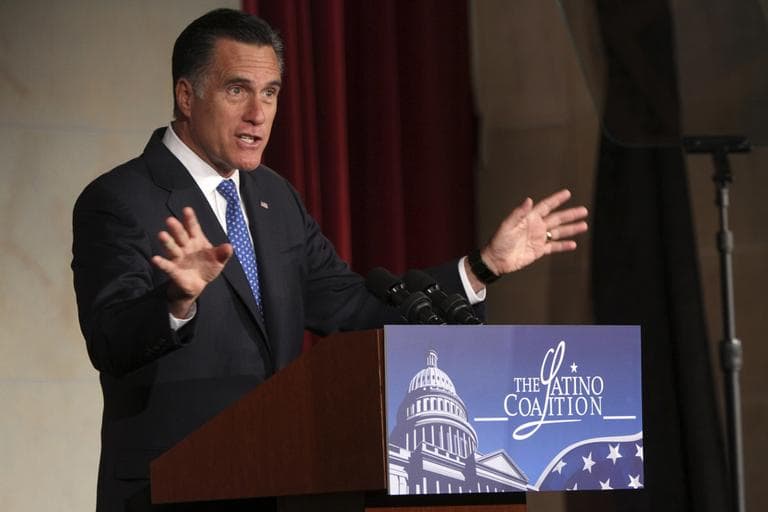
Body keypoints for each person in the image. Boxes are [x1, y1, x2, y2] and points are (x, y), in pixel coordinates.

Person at [71, 8, 588, 511]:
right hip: (170, 489)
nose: (259, 113)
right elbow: (110, 342)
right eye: (238, 90)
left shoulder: (274, 198)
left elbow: (354, 309)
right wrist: (176, 299)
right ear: (187, 95)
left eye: (270, 92)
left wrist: (481, 268)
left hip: (282, 484)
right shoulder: (120, 200)